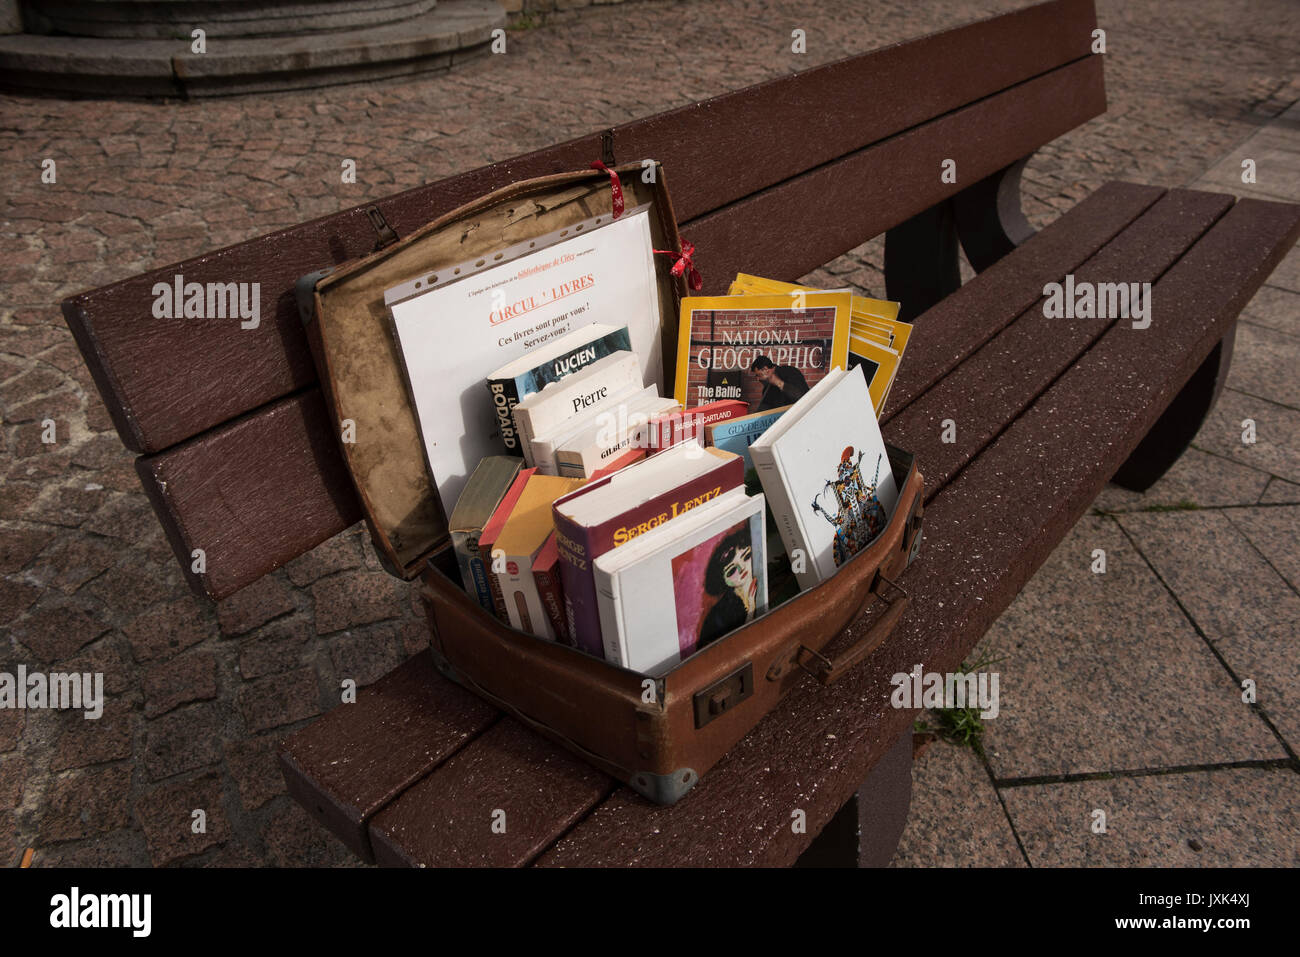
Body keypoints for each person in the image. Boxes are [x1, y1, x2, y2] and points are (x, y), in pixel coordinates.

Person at [698, 527, 759, 649]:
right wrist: (751, 610)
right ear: (723, 581)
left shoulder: (760, 576)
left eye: (747, 556)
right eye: (732, 571)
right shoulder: (718, 616)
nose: (742, 569)